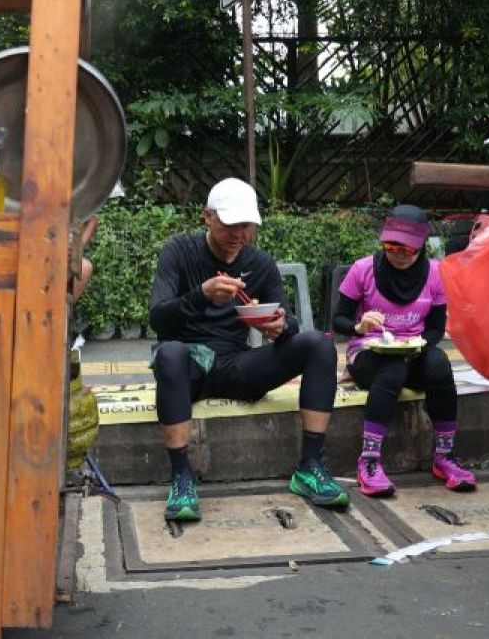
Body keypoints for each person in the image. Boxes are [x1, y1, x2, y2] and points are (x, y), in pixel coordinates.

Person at [148, 178, 346, 521]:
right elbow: (159, 320)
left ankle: (310, 466)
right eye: (230, 225)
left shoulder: (259, 263)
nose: (239, 234)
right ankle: (182, 477)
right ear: (207, 217)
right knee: (169, 353)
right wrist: (202, 295)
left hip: (239, 366)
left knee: (319, 345)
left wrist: (281, 326)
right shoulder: (178, 252)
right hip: (189, 368)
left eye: (247, 226)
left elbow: (288, 321)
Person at [332, 205, 476, 497]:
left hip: (414, 350)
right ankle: (369, 460)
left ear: (421, 246)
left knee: (439, 364)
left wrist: (416, 345)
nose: (398, 253)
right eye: (391, 245)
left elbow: (436, 329)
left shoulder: (436, 275)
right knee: (392, 369)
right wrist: (360, 326)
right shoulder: (363, 270)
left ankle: (444, 457)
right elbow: (338, 320)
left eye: (406, 249)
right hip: (369, 353)